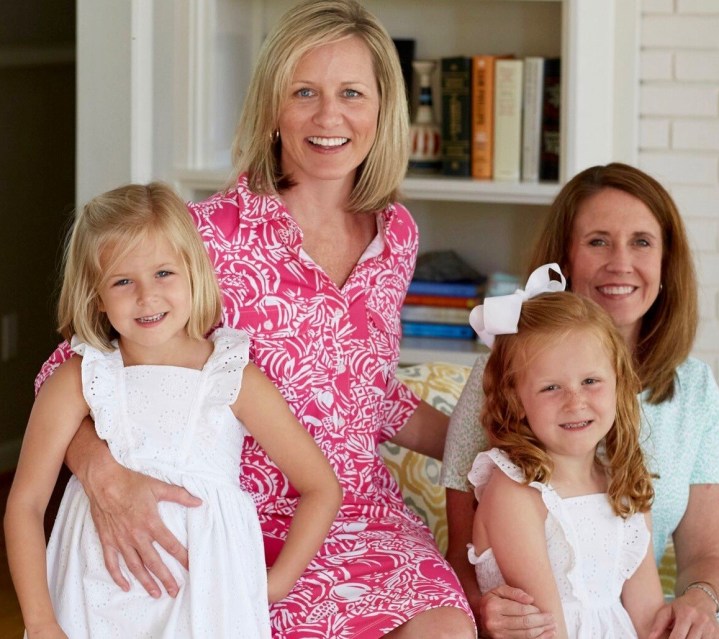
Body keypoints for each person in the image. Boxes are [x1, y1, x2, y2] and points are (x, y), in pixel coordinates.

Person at [33, 2, 475, 637]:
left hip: (358, 516)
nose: (330, 116)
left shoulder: (396, 235)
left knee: (448, 631)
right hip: (225, 522)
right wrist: (103, 474)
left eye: (352, 92)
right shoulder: (201, 236)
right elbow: (70, 370)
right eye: (305, 92)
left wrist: (490, 438)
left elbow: (366, 393)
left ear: (383, 108)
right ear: (273, 108)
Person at [6, 182, 342, 638]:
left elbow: (321, 486)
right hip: (92, 602)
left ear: (193, 273)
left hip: (208, 604)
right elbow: (25, 504)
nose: (147, 296)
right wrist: (41, 620)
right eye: (123, 281)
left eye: (164, 273)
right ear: (96, 295)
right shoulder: (78, 379)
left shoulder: (233, 376)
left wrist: (273, 584)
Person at [442, 163, 719, 639]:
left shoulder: (686, 395)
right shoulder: (501, 375)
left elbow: (703, 559)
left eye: (642, 242)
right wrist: (483, 610)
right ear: (565, 258)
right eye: (597, 241)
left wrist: (700, 603)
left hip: (627, 617)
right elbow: (464, 552)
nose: (621, 263)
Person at [467, 265, 663, 638]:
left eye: (591, 381)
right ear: (516, 399)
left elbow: (649, 615)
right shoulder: (515, 492)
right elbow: (545, 625)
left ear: (618, 385)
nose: (576, 402)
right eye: (551, 388)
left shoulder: (623, 484)